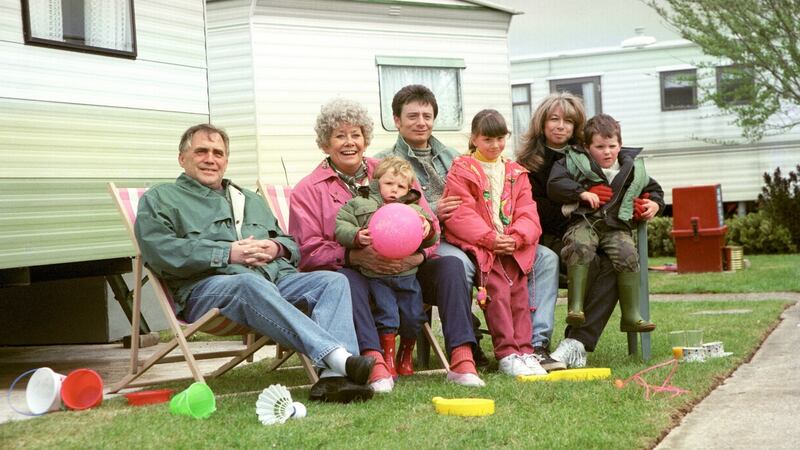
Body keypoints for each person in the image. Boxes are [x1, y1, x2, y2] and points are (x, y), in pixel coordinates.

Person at [134, 124, 375, 404]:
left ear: (226, 160)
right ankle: (339, 357)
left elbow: (291, 244)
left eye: (218, 153)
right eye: (201, 151)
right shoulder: (161, 199)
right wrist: (227, 253)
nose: (210, 159)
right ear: (182, 158)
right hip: (207, 290)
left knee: (333, 281)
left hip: (273, 281)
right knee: (248, 283)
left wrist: (275, 247)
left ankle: (334, 380)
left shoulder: (248, 199)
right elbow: (159, 251)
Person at [290, 98, 485, 393]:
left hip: (407, 269)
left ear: (365, 139)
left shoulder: (392, 172)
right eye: (339, 136)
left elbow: (430, 223)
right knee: (345, 280)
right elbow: (307, 251)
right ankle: (374, 360)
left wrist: (419, 254)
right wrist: (355, 256)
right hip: (356, 271)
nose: (349, 142)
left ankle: (461, 357)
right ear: (324, 144)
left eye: (355, 134)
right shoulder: (308, 190)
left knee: (451, 265)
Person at [376, 85, 565, 371]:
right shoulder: (386, 161)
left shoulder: (453, 156)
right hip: (435, 239)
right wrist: (433, 213)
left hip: (484, 232)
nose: (421, 122)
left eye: (427, 115)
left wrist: (507, 235)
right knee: (461, 264)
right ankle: (470, 341)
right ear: (396, 120)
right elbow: (388, 214)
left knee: (546, 258)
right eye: (412, 116)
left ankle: (536, 345)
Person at [518, 92, 624, 368]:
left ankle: (575, 342)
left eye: (568, 121)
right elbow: (533, 211)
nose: (560, 126)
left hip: (588, 236)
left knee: (614, 264)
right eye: (554, 119)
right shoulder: (528, 165)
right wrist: (575, 202)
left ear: (578, 128)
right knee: (587, 261)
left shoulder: (588, 157)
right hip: (548, 239)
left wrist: (649, 202)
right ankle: (551, 342)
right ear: (541, 124)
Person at [442, 109, 547, 376]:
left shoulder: (515, 172)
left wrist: (517, 237)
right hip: (484, 247)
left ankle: (525, 350)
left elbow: (528, 211)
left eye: (501, 138)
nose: (495, 145)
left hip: (512, 247)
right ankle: (506, 352)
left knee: (520, 297)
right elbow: (459, 213)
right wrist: (490, 238)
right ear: (474, 138)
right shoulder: (462, 170)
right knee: (497, 295)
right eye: (488, 139)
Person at [548, 113, 663, 332]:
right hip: (584, 221)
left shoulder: (633, 168)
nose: (607, 152)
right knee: (579, 247)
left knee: (628, 253)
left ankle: (630, 315)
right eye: (600, 147)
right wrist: (580, 192)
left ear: (620, 145)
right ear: (587, 146)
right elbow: (555, 184)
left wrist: (655, 204)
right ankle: (576, 307)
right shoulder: (573, 161)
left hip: (615, 226)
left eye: (612, 145)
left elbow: (654, 190)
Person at [335, 157, 438, 376]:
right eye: (389, 183)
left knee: (413, 316)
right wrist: (354, 236)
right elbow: (341, 225)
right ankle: (388, 357)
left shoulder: (413, 209)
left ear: (408, 189)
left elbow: (429, 237)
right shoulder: (360, 203)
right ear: (376, 181)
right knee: (387, 315)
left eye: (401, 186)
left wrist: (427, 229)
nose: (394, 190)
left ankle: (406, 355)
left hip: (407, 275)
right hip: (377, 276)